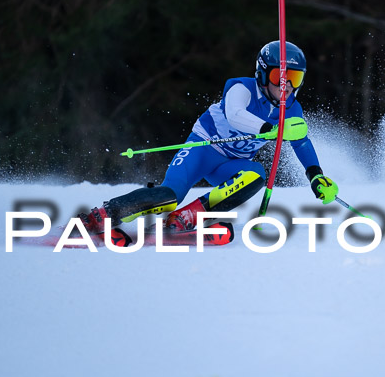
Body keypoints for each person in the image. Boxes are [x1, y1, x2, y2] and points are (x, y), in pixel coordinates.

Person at [77, 40, 338, 238]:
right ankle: (106, 214)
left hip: (230, 165)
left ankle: (189, 217)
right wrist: (269, 128)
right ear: (262, 73)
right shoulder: (241, 88)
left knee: (256, 173)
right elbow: (235, 115)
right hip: (201, 150)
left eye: (294, 79)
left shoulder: (292, 109)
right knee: (169, 195)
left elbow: (301, 141)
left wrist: (316, 176)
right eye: (279, 78)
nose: (287, 87)